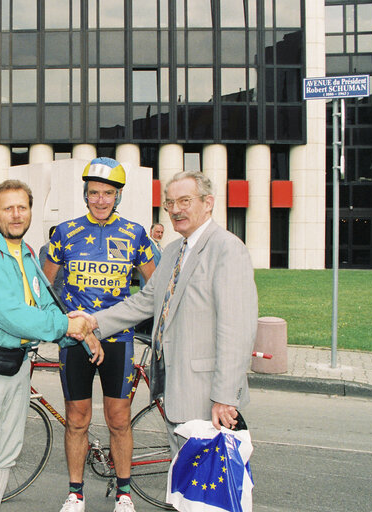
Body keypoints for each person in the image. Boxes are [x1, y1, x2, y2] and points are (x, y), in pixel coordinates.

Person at [0, 179, 103, 512]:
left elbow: (48, 305)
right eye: (8, 208)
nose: (16, 214)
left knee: (5, 454)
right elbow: (11, 314)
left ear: (31, 210)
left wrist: (74, 330)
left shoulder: (30, 255)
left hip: (17, 366)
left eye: (23, 207)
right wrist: (66, 325)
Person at [84, 170, 258, 456]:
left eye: (185, 201)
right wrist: (93, 322)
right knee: (184, 484)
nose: (176, 210)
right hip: (175, 390)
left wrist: (225, 398)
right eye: (170, 203)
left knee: (207, 491)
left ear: (208, 202)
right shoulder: (174, 250)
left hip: (208, 398)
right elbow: (145, 301)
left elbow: (237, 330)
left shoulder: (227, 249)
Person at [43, 157, 156, 512]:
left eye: (108, 193)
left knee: (118, 419)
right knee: (77, 419)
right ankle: (75, 493)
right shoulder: (65, 232)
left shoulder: (135, 234)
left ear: (118, 195)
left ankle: (124, 492)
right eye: (94, 193)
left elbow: (157, 287)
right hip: (75, 340)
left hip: (118, 339)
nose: (101, 200)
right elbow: (45, 287)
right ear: (85, 194)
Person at [39, 225, 65, 298]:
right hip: (54, 292)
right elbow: (44, 271)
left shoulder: (63, 248)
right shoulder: (46, 248)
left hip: (62, 290)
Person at [139, 223, 164, 289]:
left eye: (162, 232)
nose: (160, 234)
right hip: (149, 284)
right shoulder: (147, 245)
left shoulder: (160, 247)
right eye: (158, 232)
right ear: (151, 232)